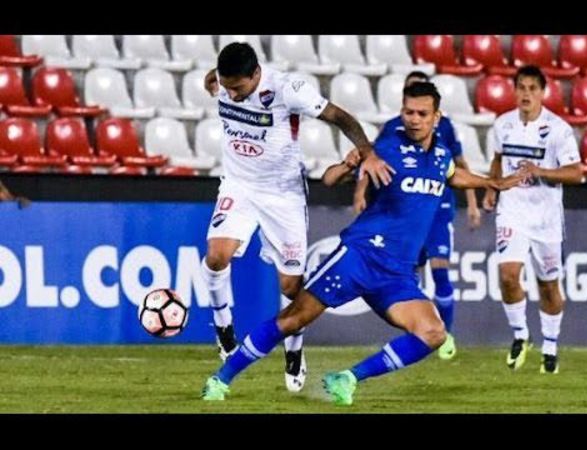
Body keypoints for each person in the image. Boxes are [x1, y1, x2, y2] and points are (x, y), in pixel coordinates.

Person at [201, 81, 524, 405]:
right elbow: (329, 179)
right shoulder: (385, 148)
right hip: (359, 256)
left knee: (433, 332)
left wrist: (490, 182)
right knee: (292, 319)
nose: (414, 119)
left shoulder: (440, 154)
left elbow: (452, 176)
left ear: (436, 117)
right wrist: (352, 164)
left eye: (422, 113)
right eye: (408, 112)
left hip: (397, 272)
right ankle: (220, 379)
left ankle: (347, 378)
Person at [200, 42, 394, 392]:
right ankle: (224, 331)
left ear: (256, 75)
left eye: (238, 89)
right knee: (216, 255)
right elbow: (213, 79)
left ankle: (294, 350)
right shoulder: (224, 81)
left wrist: (366, 152)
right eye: (227, 87)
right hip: (239, 185)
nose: (232, 94)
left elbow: (340, 117)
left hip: (282, 193)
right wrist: (213, 81)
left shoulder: (289, 89)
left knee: (291, 285)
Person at [354, 71, 481, 361]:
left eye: (422, 108)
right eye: (409, 105)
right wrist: (360, 192)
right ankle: (420, 324)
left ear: (434, 110)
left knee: (440, 269)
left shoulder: (445, 128)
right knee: (410, 272)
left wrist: (472, 203)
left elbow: (459, 165)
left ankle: (445, 335)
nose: (415, 117)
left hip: (438, 209)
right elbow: (371, 160)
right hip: (404, 212)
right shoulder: (391, 129)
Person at [483, 65, 583, 374]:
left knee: (549, 286)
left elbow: (576, 173)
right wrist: (492, 186)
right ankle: (520, 336)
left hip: (546, 219)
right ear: (515, 91)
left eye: (532, 88)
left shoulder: (558, 129)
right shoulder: (503, 125)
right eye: (521, 88)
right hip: (512, 211)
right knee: (509, 275)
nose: (526, 94)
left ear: (543, 92)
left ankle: (550, 347)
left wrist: (541, 171)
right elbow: (498, 159)